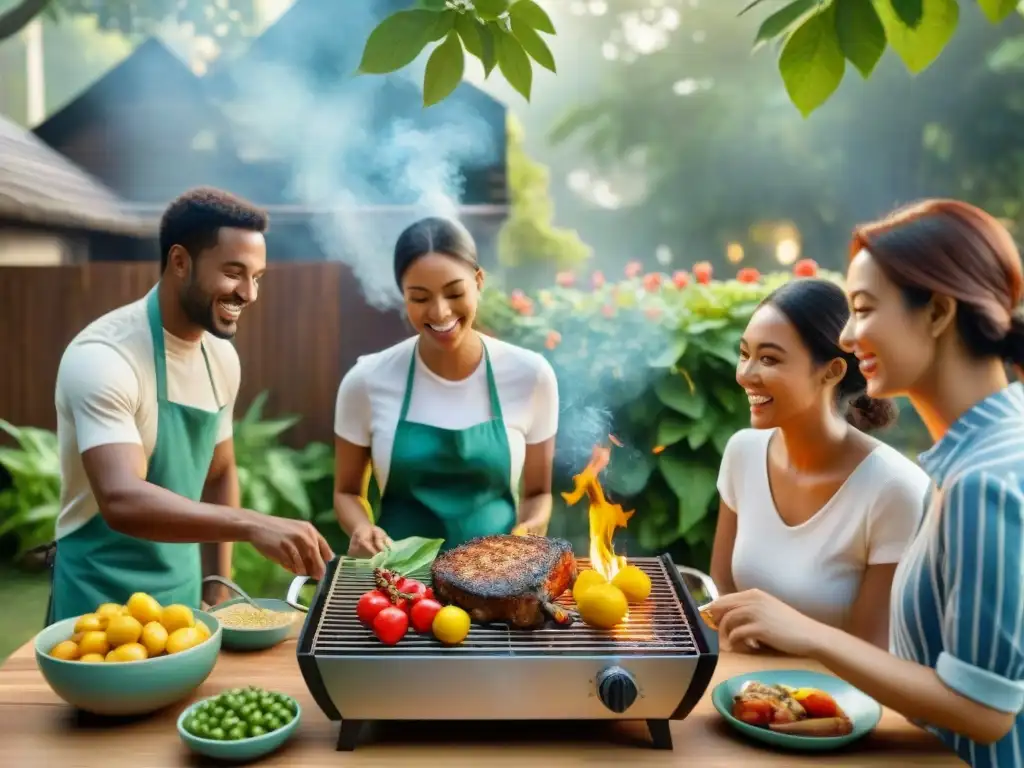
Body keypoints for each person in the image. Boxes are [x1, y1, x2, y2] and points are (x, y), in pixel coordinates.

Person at [705, 199, 1024, 767]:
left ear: (937, 312)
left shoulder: (981, 481)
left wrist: (809, 633)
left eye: (863, 309)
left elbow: (985, 713)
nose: (848, 337)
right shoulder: (983, 449)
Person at [47, 187, 333, 625]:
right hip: (96, 607)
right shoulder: (105, 357)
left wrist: (217, 588)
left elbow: (219, 472)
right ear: (180, 262)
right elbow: (121, 499)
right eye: (235, 272)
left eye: (257, 277)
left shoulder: (219, 357)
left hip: (183, 609)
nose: (249, 293)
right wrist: (252, 523)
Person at [711, 278, 930, 648]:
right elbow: (722, 590)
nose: (745, 374)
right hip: (744, 691)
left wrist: (792, 635)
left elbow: (874, 653)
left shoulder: (894, 490)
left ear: (831, 371)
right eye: (744, 353)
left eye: (769, 359)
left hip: (842, 701)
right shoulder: (742, 453)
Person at [332, 216, 559, 555]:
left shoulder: (530, 375)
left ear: (478, 281)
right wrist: (363, 528)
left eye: (454, 292)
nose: (440, 312)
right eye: (420, 297)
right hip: (400, 588)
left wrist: (529, 533)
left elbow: (538, 493)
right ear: (403, 296)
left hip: (496, 580)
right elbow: (346, 493)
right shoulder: (366, 381)